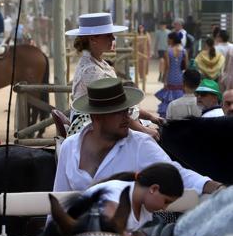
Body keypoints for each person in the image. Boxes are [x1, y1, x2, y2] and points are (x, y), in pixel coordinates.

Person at [53, 78, 222, 195]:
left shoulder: (140, 144)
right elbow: (59, 197)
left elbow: (174, 172)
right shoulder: (70, 147)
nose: (127, 117)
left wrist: (213, 186)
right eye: (118, 113)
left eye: (126, 111)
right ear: (97, 117)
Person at [66, 13, 161, 138]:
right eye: (108, 36)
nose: (113, 39)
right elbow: (114, 109)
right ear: (93, 39)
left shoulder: (99, 63)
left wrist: (150, 117)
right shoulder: (91, 71)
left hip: (106, 119)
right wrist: (144, 130)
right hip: (92, 124)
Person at [83, 163, 183, 236]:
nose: (165, 208)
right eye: (166, 201)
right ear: (154, 189)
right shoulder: (115, 194)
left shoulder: (145, 208)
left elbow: (133, 235)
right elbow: (113, 231)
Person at [155, 32, 187, 118]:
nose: (167, 41)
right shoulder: (183, 50)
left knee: (169, 97)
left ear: (172, 40)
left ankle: (168, 116)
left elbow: (167, 67)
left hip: (171, 77)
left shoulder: (168, 51)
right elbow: (186, 67)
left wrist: (165, 80)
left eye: (168, 39)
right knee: (180, 96)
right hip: (180, 78)